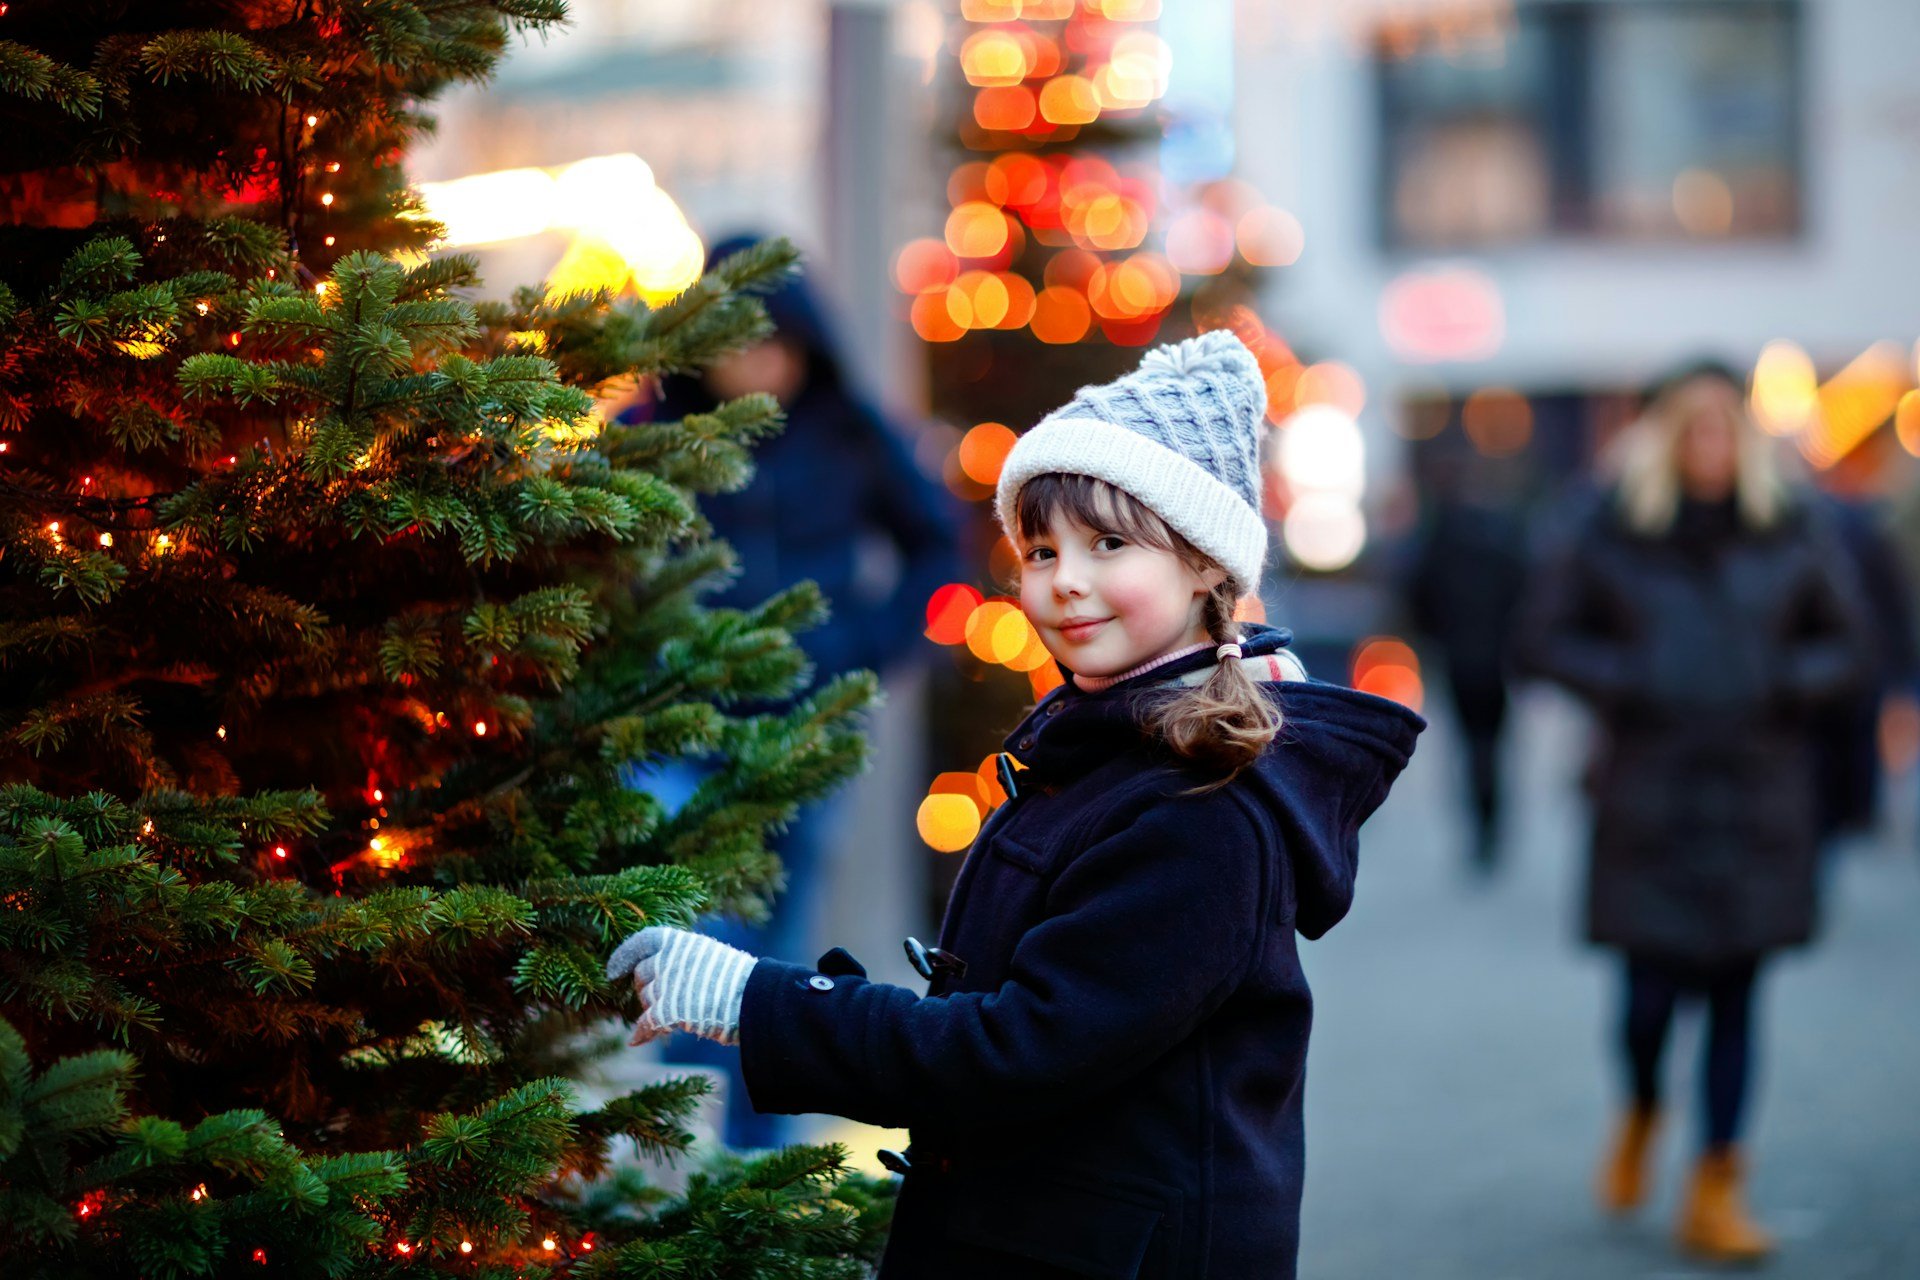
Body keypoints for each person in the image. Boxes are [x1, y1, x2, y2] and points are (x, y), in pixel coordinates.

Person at [605, 332, 1424, 1279]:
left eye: (1109, 543)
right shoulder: (1104, 751)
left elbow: (1017, 1050)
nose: (1063, 578)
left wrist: (757, 998)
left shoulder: (1201, 810)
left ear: (1206, 568)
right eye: (1040, 549)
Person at [1515, 359, 1873, 1264]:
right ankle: (1640, 1107)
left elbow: (1849, 641)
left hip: (1760, 791)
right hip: (1649, 790)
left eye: (1725, 426)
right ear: (1668, 436)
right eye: (1694, 425)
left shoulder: (1790, 527)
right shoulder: (1610, 528)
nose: (1710, 443)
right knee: (1645, 999)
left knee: (1736, 998)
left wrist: (1781, 683)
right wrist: (1634, 681)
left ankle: (1716, 1185)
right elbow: (1544, 637)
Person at [621, 236, 963, 1149]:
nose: (755, 366)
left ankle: (748, 1167)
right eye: (734, 343)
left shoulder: (853, 433)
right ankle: (679, 1152)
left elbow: (942, 549)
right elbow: (588, 554)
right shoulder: (653, 434)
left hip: (803, 740)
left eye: (773, 343)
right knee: (690, 932)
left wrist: (862, 654)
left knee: (770, 951)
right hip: (677, 733)